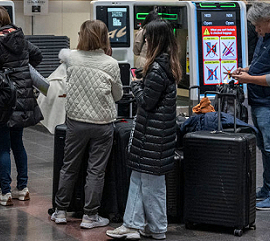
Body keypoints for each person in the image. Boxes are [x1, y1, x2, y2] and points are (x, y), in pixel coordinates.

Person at [107, 20, 181, 240]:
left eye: (148, 37)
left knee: (149, 184)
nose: (145, 41)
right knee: (141, 180)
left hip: (152, 135)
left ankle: (156, 227)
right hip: (157, 134)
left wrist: (136, 84)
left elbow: (147, 102)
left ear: (155, 39)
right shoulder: (168, 63)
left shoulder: (157, 68)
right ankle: (134, 223)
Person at [51, 20, 123, 228]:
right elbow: (117, 96)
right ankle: (90, 216)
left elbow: (65, 59)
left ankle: (61, 211)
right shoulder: (111, 64)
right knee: (96, 171)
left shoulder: (72, 59)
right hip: (102, 123)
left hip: (76, 121)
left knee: (69, 167)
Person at [231, 2, 270, 211]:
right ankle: (268, 189)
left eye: (258, 26)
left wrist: (249, 79)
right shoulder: (266, 38)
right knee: (266, 149)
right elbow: (263, 64)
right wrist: (246, 70)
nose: (256, 30)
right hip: (261, 101)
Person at [0, 7, 43, 206]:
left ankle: (5, 192)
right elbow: (38, 55)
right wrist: (22, 69)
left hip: (3, 98)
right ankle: (23, 188)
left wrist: (2, 75)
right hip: (23, 97)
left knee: (2, 147)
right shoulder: (19, 36)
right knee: (18, 144)